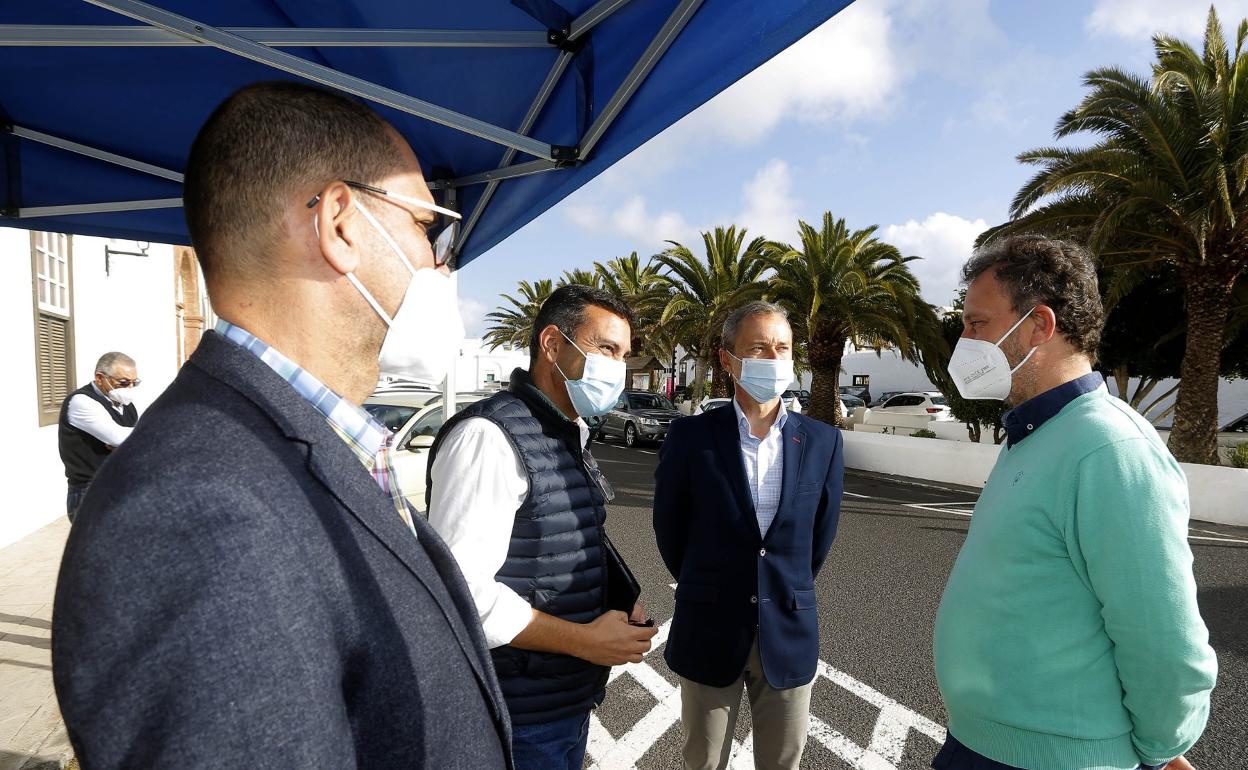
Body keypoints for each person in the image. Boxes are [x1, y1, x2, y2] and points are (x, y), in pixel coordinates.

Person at [52, 82, 511, 768]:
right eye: (428, 226)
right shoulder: (198, 512)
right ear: (341, 225)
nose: (442, 262)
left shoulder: (293, 448)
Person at [933, 235, 1217, 770]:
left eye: (977, 324)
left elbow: (1162, 636)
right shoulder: (1038, 433)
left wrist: (1162, 747)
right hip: (984, 745)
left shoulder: (1109, 448)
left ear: (1039, 326)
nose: (964, 342)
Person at [427, 284, 658, 770]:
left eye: (625, 353)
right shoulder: (489, 437)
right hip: (518, 715)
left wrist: (616, 593)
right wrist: (586, 641)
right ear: (553, 345)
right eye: (606, 349)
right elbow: (460, 594)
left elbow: (553, 536)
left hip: (563, 703)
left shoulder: (566, 431)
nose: (620, 366)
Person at [653, 301, 845, 770]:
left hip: (788, 628)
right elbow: (669, 529)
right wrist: (712, 582)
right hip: (709, 626)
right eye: (758, 348)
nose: (772, 358)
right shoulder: (690, 438)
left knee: (783, 762)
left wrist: (778, 582)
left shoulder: (822, 441)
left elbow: (819, 538)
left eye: (782, 348)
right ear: (727, 359)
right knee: (702, 760)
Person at [58, 352, 141, 521]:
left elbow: (132, 442)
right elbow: (118, 437)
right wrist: (127, 442)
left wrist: (129, 443)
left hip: (119, 487)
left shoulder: (127, 406)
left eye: (134, 383)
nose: (130, 388)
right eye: (124, 382)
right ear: (100, 378)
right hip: (89, 493)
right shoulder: (80, 402)